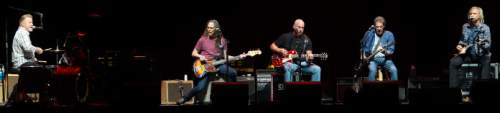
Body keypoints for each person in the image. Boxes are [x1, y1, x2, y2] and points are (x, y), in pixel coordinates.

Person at [177, 19, 243, 105]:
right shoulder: (202, 39)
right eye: (208, 28)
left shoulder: (222, 41)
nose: (209, 30)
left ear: (216, 29)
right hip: (205, 66)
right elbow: (193, 53)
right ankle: (184, 98)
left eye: (211, 28)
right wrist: (200, 56)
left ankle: (236, 95)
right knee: (200, 87)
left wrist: (237, 57)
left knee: (233, 72)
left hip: (217, 64)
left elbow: (225, 56)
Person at [449, 6, 491, 92]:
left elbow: (488, 45)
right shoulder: (465, 26)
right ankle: (453, 91)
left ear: (479, 15)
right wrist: (460, 46)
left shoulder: (485, 28)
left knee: (486, 61)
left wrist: (481, 44)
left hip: (481, 54)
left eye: (474, 13)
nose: (471, 15)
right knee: (453, 62)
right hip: (468, 54)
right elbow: (463, 39)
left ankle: (484, 91)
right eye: (470, 13)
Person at [360, 16, 398, 81]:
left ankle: (393, 89)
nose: (379, 29)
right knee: (372, 70)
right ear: (374, 27)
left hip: (385, 59)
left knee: (394, 70)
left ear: (384, 26)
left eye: (381, 26)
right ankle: (370, 89)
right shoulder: (370, 34)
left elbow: (391, 51)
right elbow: (365, 46)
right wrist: (363, 55)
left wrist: (385, 52)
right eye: (377, 27)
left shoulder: (389, 35)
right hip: (373, 59)